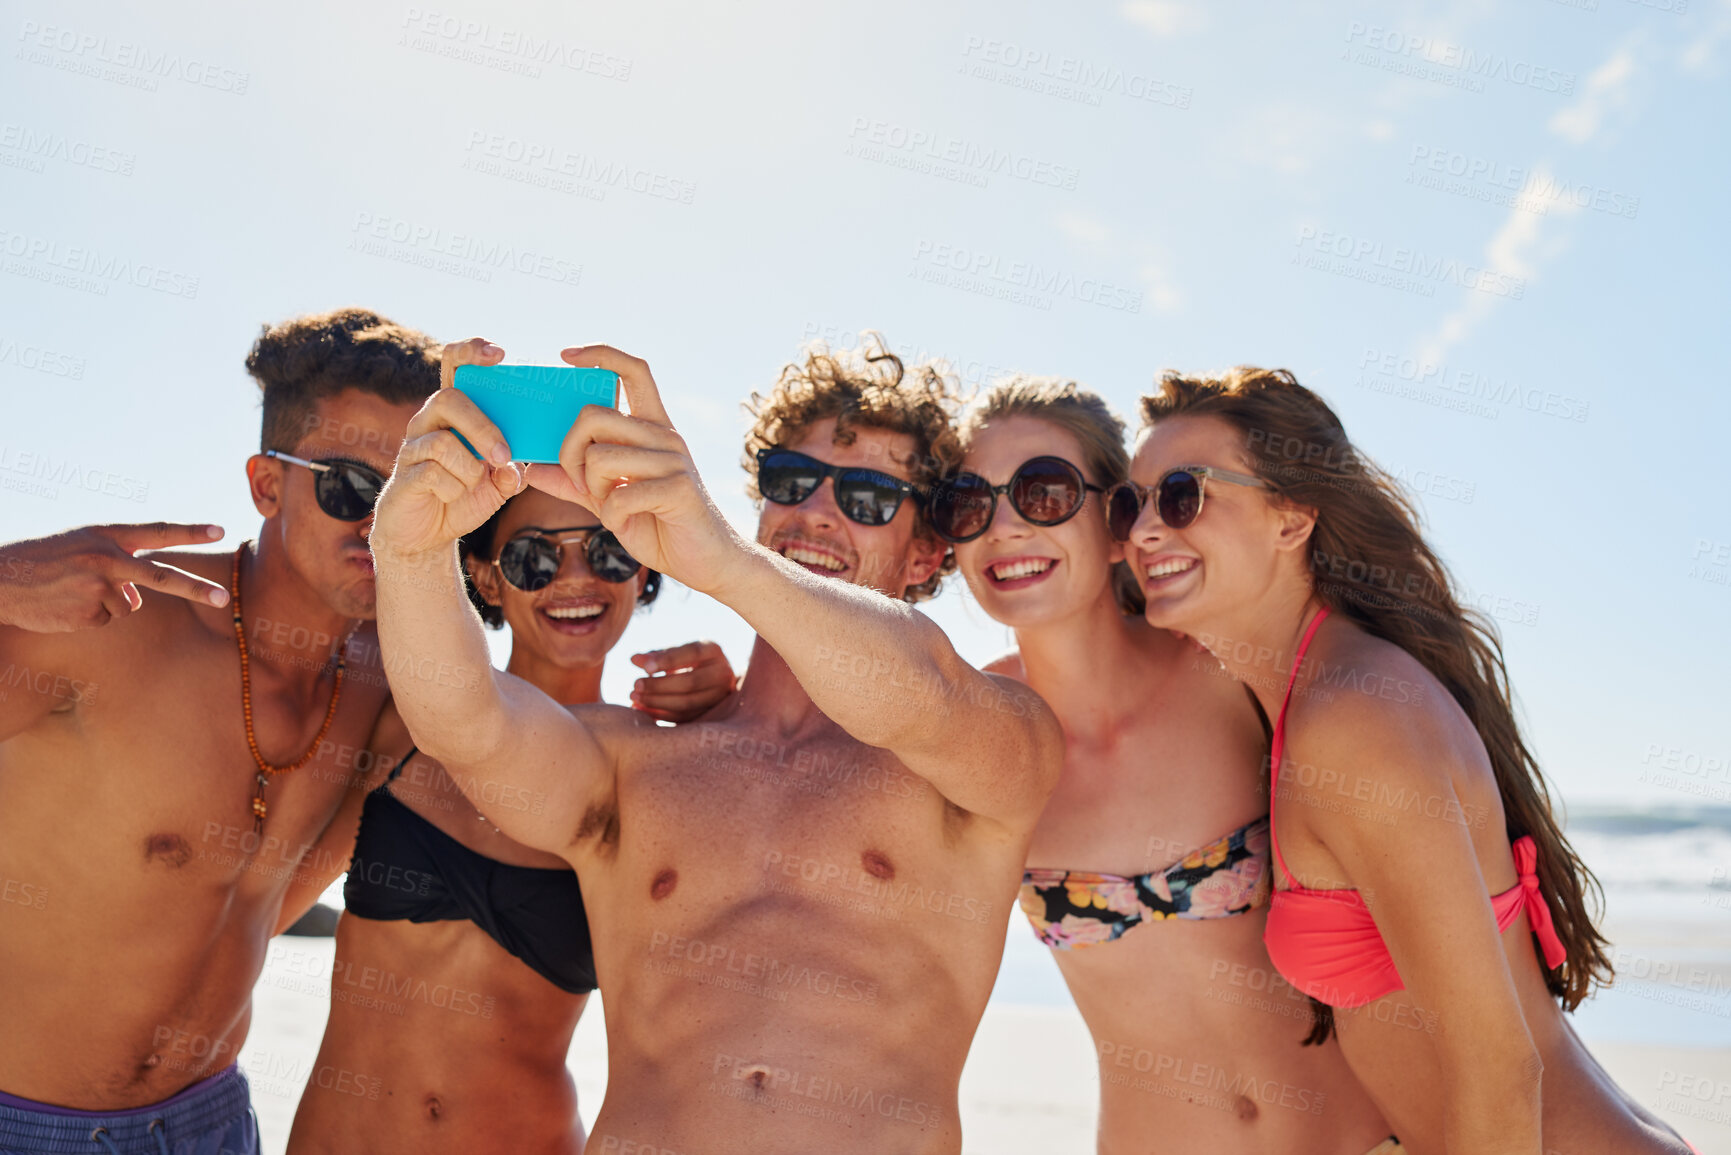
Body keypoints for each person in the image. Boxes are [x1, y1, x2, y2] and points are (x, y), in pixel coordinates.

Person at [367, 334, 1063, 1152]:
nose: (817, 514)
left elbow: (924, 695)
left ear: (924, 555)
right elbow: (466, 728)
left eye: (869, 497)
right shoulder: (634, 759)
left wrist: (725, 564)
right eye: (792, 481)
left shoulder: (989, 743)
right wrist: (410, 551)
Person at [1117, 366, 1693, 1153]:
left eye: (1182, 495)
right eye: (1130, 503)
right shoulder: (1313, 694)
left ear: (1290, 517)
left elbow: (1499, 1066)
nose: (1144, 530)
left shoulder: (1355, 718)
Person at [0, 308, 433, 1154]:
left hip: (210, 1122)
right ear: (268, 485)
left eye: (412, 495)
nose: (380, 526)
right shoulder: (108, 621)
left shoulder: (398, 683)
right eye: (350, 487)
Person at [931, 376, 1393, 1153]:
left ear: (1119, 521)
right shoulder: (972, 731)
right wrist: (723, 692)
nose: (1003, 527)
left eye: (1042, 492)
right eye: (969, 504)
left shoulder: (1229, 673)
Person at [288, 483, 735, 1155]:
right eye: (534, 557)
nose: (576, 579)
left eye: (608, 552)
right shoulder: (399, 709)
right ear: (485, 578)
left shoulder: (657, 768)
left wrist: (736, 711)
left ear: (642, 568)